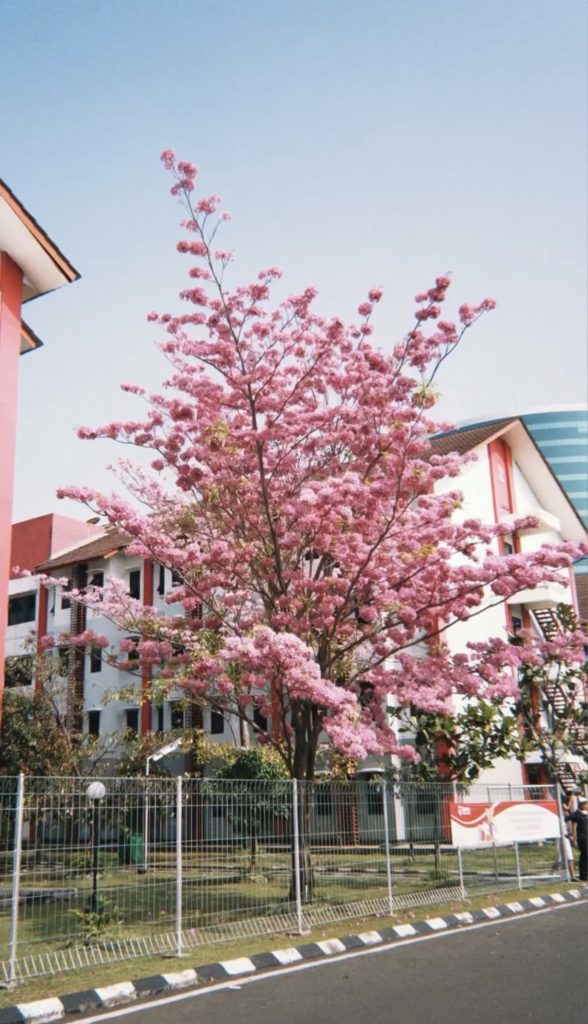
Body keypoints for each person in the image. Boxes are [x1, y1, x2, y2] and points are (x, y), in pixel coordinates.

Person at [568, 796, 588, 883]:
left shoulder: (586, 813)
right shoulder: (577, 814)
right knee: (585, 855)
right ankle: (583, 875)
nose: (586, 805)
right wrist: (574, 838)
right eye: (585, 804)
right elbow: (574, 827)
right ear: (581, 805)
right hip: (582, 838)